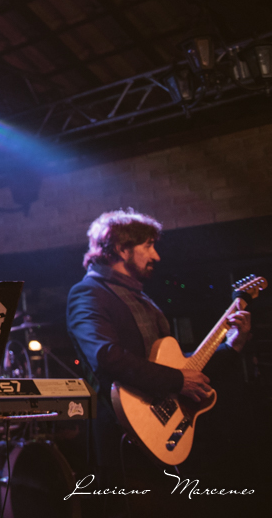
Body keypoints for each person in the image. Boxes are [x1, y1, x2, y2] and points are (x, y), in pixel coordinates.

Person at [66, 209, 251, 516]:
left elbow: (181, 369)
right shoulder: (88, 293)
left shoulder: (140, 298)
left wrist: (233, 345)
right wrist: (178, 380)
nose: (157, 256)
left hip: (164, 434)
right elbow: (105, 356)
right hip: (125, 440)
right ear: (122, 248)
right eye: (148, 245)